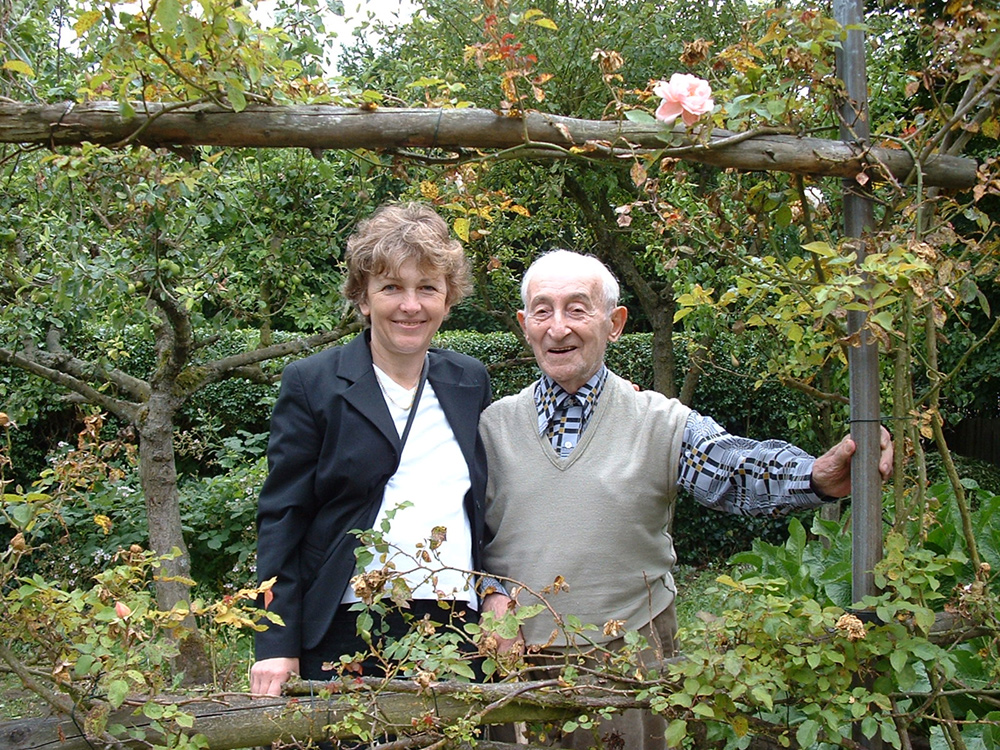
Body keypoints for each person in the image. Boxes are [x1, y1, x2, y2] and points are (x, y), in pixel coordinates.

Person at [479, 249, 893, 749]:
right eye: (543, 310)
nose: (558, 327)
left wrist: (817, 476)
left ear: (615, 323)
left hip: (629, 659)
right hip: (518, 663)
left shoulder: (659, 421)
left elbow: (732, 467)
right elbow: (461, 532)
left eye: (578, 308)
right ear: (525, 324)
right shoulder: (489, 427)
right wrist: (488, 594)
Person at [250, 202, 494, 697]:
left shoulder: (469, 381)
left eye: (427, 288)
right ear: (363, 298)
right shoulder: (313, 383)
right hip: (347, 624)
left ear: (448, 300)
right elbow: (283, 517)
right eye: (391, 288)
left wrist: (495, 593)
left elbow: (484, 507)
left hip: (455, 627)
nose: (411, 305)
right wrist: (274, 640)